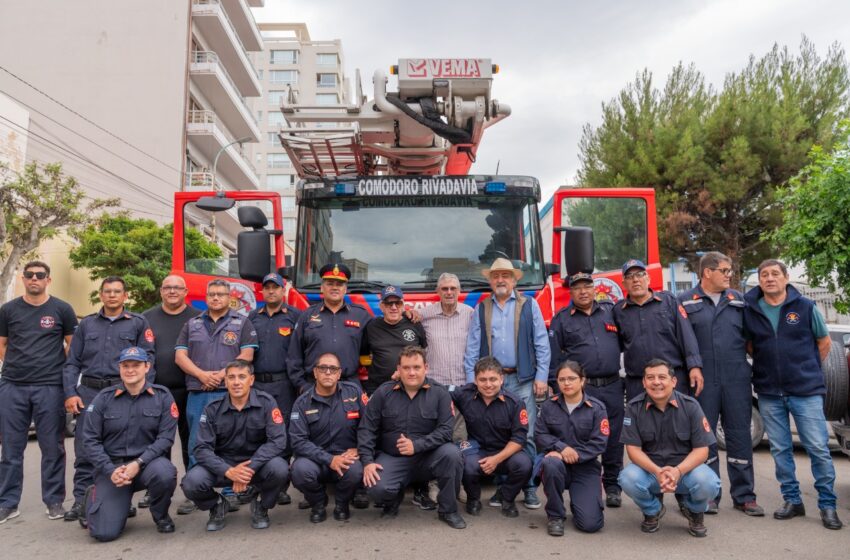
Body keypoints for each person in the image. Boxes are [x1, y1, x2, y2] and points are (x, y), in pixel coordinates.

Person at [743, 259, 842, 530]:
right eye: (764, 275)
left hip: (806, 391)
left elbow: (823, 344)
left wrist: (803, 368)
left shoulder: (806, 307)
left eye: (775, 274)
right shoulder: (751, 311)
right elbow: (751, 346)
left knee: (819, 449)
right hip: (769, 392)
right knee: (780, 449)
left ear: (786, 278)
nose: (770, 278)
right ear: (760, 281)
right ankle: (792, 501)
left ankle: (827, 505)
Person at [62, 276, 156, 522]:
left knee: (123, 448)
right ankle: (81, 500)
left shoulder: (138, 323)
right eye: (107, 291)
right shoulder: (87, 325)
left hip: (124, 392)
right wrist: (71, 393)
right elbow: (72, 362)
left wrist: (146, 391)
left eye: (117, 292)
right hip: (90, 393)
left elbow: (149, 360)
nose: (112, 295)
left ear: (125, 296)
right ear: (101, 295)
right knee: (85, 449)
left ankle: (122, 499)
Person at [678, 252, 762, 515]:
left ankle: (744, 496)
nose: (729, 275)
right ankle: (710, 494)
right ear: (707, 272)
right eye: (724, 270)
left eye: (729, 270)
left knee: (739, 434)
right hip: (702, 379)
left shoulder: (738, 300)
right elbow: (683, 340)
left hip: (736, 376)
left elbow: (752, 339)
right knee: (705, 437)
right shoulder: (685, 301)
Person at [463, 258, 550, 509]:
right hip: (491, 383)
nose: (501, 280)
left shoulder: (529, 305)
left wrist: (541, 377)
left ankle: (530, 486)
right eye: (496, 276)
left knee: (528, 434)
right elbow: (472, 348)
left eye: (506, 275)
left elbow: (541, 344)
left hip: (522, 379)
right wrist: (473, 383)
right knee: (497, 436)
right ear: (490, 281)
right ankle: (503, 488)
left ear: (514, 280)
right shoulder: (482, 308)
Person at [0, 261, 77, 523]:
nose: (34, 279)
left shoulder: (62, 309)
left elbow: (72, 346)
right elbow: (2, 345)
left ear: (48, 279)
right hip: (13, 386)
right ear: (23, 279)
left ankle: (54, 501)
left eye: (40, 275)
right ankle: (8, 503)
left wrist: (55, 368)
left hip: (50, 387)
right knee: (11, 448)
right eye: (30, 275)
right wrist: (18, 365)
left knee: (52, 447)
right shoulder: (8, 310)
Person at [358, 346, 466, 529]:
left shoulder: (440, 394)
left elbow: (446, 431)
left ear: (426, 367)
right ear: (398, 370)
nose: (411, 372)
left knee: (452, 454)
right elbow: (367, 429)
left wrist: (417, 445)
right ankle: (393, 498)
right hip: (394, 457)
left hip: (429, 457)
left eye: (416, 367)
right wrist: (367, 461)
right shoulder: (384, 393)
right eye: (406, 368)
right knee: (377, 488)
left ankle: (448, 510)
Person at [79, 347, 177, 541]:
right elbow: (89, 439)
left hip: (146, 466)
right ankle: (95, 496)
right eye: (126, 366)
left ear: (147, 367)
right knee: (103, 534)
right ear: (119, 368)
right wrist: (109, 470)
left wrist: (138, 463)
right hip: (113, 469)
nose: (130, 370)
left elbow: (165, 438)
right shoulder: (104, 398)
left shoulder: (162, 396)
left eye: (136, 365)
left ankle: (160, 515)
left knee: (165, 473)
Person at [181, 360, 289, 532]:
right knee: (191, 482)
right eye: (231, 377)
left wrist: (249, 468)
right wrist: (229, 471)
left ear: (251, 380)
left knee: (280, 469)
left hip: (257, 465)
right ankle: (216, 505)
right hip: (223, 466)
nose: (236, 382)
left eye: (242, 377)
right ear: (225, 381)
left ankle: (262, 506)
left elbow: (278, 441)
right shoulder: (212, 409)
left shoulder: (267, 403)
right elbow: (201, 449)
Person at [618, 359, 721, 537]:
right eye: (650, 377)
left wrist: (677, 471)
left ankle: (694, 511)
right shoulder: (634, 408)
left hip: (685, 472)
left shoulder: (690, 406)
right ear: (644, 382)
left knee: (709, 482)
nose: (656, 382)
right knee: (627, 478)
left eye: (662, 377)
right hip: (651, 472)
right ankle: (653, 510)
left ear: (673, 381)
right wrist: (658, 471)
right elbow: (633, 450)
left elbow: (702, 451)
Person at [548, 271, 624, 508]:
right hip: (583, 389)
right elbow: (554, 357)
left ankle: (612, 485)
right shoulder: (562, 319)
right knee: (582, 436)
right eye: (577, 287)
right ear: (570, 292)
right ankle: (584, 482)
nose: (583, 291)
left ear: (595, 289)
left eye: (587, 286)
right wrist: (555, 386)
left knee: (613, 438)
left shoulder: (611, 312)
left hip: (612, 385)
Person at [174, 279, 257, 470]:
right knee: (197, 442)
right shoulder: (191, 324)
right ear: (206, 298)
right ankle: (199, 489)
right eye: (212, 294)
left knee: (230, 442)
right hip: (198, 392)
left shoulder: (243, 323)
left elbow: (247, 355)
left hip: (229, 393)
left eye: (221, 294)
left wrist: (220, 376)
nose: (216, 298)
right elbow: (180, 356)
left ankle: (230, 489)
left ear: (230, 298)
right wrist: (202, 375)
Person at [141, 274, 200, 514]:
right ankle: (155, 488)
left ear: (186, 291)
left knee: (192, 443)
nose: (172, 291)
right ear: (161, 291)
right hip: (156, 392)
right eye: (168, 287)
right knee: (157, 444)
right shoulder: (146, 318)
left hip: (190, 390)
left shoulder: (198, 318)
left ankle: (193, 490)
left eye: (177, 288)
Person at [448, 357, 531, 519]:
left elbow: (519, 439)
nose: (488, 384)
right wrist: (401, 376)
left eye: (493, 379)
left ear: (501, 379)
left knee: (524, 464)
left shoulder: (515, 403)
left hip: (505, 450)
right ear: (475, 380)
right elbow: (438, 388)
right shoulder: (464, 394)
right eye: (483, 380)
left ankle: (507, 498)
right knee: (466, 464)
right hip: (476, 449)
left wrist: (496, 459)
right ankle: (473, 499)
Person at [613, 259, 704, 401]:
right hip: (638, 383)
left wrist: (694, 366)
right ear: (624, 284)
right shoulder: (618, 311)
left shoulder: (669, 301)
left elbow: (686, 336)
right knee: (641, 423)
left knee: (677, 421)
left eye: (640, 274)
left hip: (671, 378)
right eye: (629, 277)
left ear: (648, 278)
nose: (635, 280)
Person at [289, 352, 364, 523]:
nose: (328, 372)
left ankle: (342, 503)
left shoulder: (354, 392)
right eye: (323, 368)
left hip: (346, 456)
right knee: (300, 471)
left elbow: (369, 426)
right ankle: (318, 502)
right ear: (315, 373)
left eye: (333, 369)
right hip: (315, 459)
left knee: (356, 470)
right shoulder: (302, 402)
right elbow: (298, 441)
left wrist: (360, 448)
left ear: (339, 373)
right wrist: (329, 459)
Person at [247, 272, 302, 506]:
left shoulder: (294, 317)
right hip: (257, 383)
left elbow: (301, 351)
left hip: (284, 384)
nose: (271, 291)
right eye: (267, 287)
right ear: (262, 291)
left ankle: (279, 485)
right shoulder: (251, 318)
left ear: (283, 290)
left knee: (284, 435)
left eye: (275, 288)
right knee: (257, 433)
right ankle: (255, 483)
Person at [537, 361, 608, 537]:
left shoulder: (597, 408)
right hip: (558, 464)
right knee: (550, 463)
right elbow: (539, 435)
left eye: (571, 378)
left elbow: (600, 442)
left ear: (582, 380)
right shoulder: (548, 406)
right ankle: (555, 515)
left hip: (585, 467)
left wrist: (575, 454)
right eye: (562, 379)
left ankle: (580, 504)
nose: (566, 383)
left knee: (591, 524)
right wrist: (561, 449)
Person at [287, 263, 371, 395]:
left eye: (339, 284)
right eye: (330, 283)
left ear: (345, 289)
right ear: (322, 287)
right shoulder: (307, 315)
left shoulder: (361, 315)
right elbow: (294, 355)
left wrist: (407, 316)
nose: (335, 288)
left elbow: (379, 340)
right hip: (314, 388)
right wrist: (302, 385)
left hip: (349, 388)